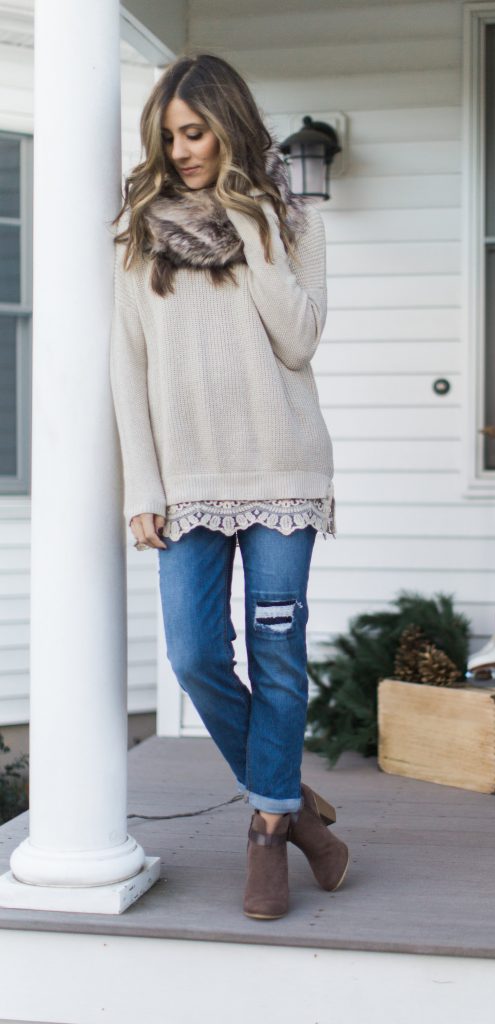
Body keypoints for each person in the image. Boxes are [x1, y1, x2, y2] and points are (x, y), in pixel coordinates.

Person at [109, 53, 349, 920]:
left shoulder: (292, 222)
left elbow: (299, 341)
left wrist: (252, 231)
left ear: (229, 125)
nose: (181, 150)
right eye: (169, 136)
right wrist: (142, 486)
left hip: (282, 470)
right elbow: (125, 367)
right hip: (186, 484)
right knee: (196, 655)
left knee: (277, 653)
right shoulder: (138, 231)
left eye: (196, 132)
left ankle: (265, 830)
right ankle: (295, 808)